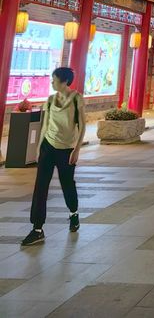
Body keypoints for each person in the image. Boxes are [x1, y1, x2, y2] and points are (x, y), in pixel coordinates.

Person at [22, 67, 86, 247]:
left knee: (67, 184)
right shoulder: (50, 100)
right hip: (48, 147)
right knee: (40, 186)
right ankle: (37, 228)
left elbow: (82, 126)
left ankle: (73, 213)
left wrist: (77, 150)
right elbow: (45, 125)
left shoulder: (76, 100)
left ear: (64, 81)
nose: (52, 82)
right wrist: (38, 148)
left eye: (54, 79)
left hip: (66, 149)